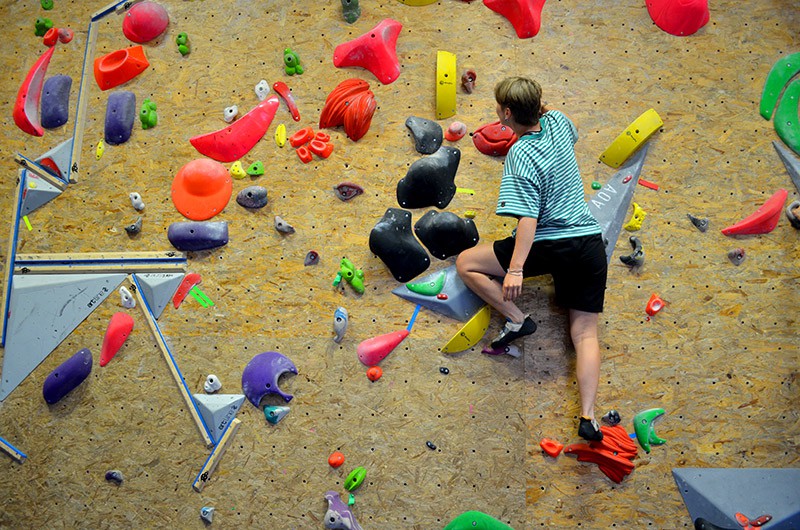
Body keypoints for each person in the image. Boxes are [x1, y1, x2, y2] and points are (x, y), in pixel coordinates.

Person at [455, 76, 608, 442]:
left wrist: (516, 270)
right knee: (585, 332)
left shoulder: (519, 155)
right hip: (588, 243)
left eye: (498, 108)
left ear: (507, 113)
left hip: (550, 242)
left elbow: (528, 217)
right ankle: (589, 416)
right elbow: (567, 126)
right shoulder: (557, 122)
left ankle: (517, 320)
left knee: (466, 263)